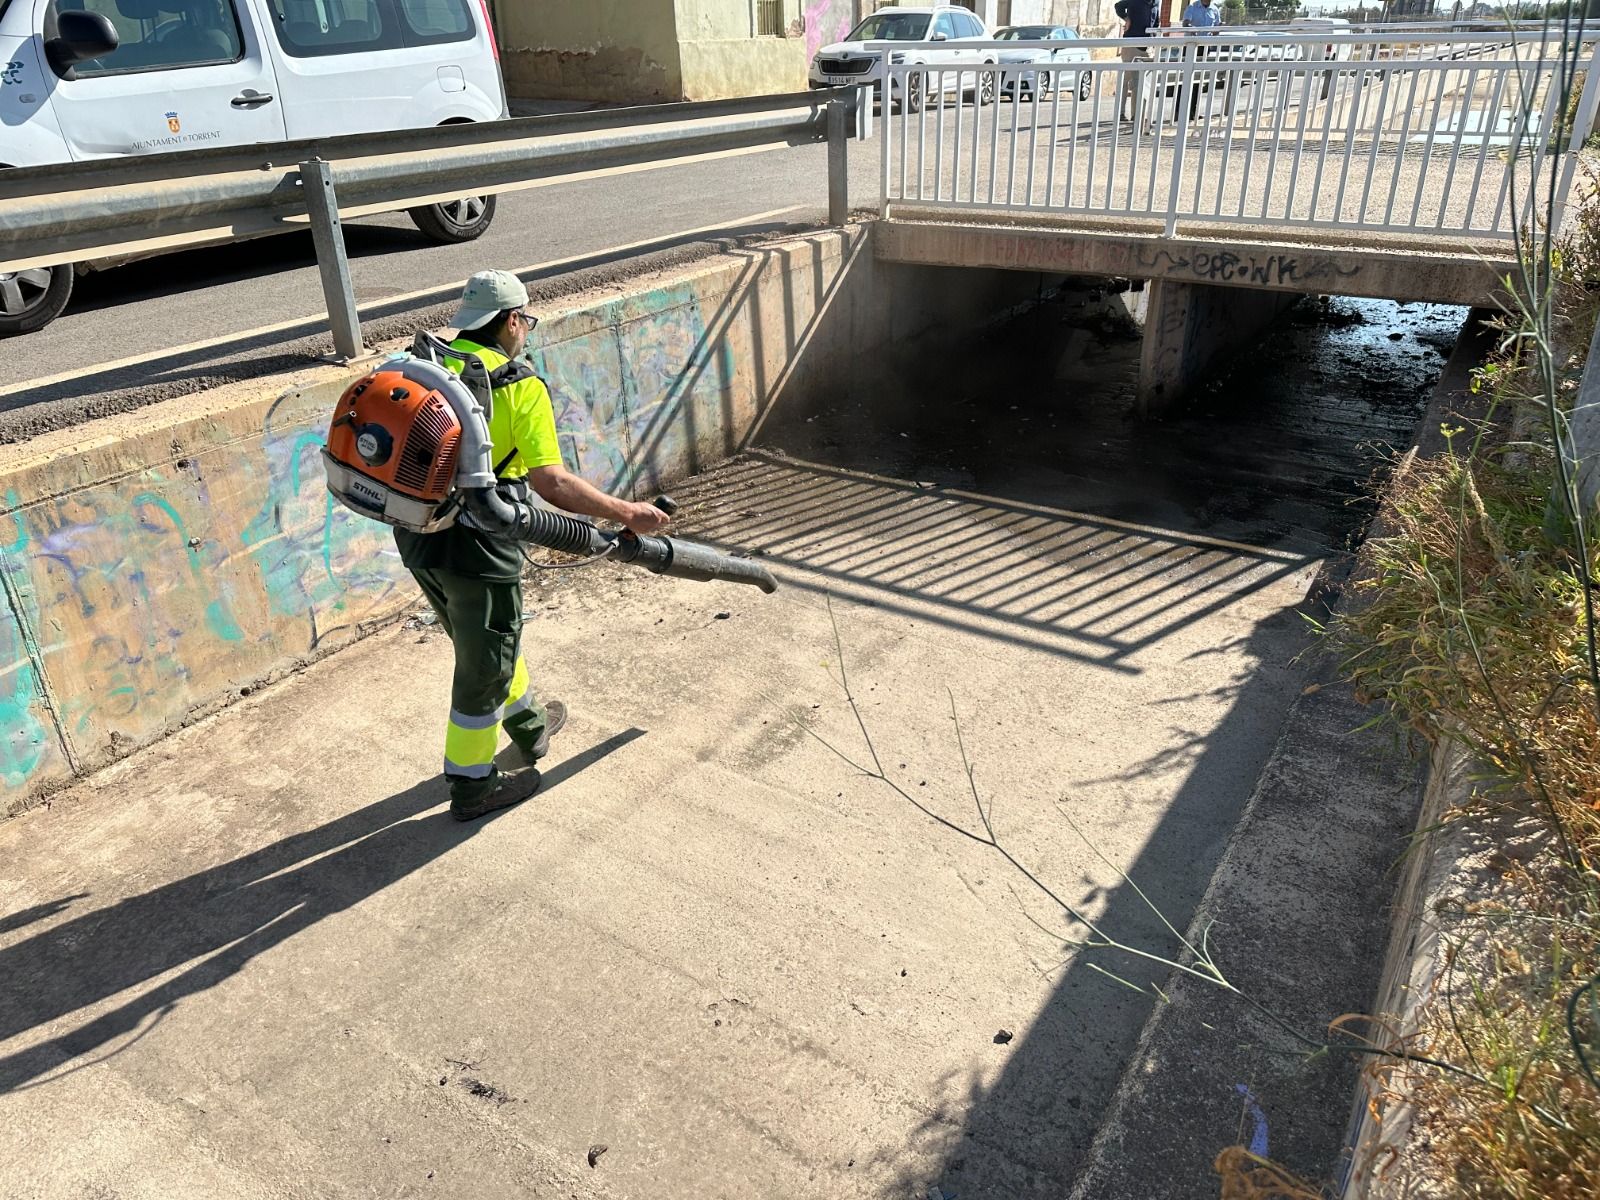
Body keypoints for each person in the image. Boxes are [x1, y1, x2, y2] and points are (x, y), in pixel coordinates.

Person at [395, 270, 671, 822]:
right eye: (526, 320)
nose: (526, 330)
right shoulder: (516, 384)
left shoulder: (431, 364)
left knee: (490, 643)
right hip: (479, 547)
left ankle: (528, 724)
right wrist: (626, 512)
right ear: (513, 321)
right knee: (482, 671)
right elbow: (553, 484)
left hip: (416, 530)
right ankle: (472, 787)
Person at [1114, 0, 1157, 122]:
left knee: (1140, 83)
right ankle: (1120, 113)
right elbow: (1118, 6)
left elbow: (1155, 23)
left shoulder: (1156, 3)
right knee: (1126, 79)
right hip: (1131, 44)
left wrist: (1154, 41)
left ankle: (1136, 115)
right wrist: (1126, 18)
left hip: (1147, 47)